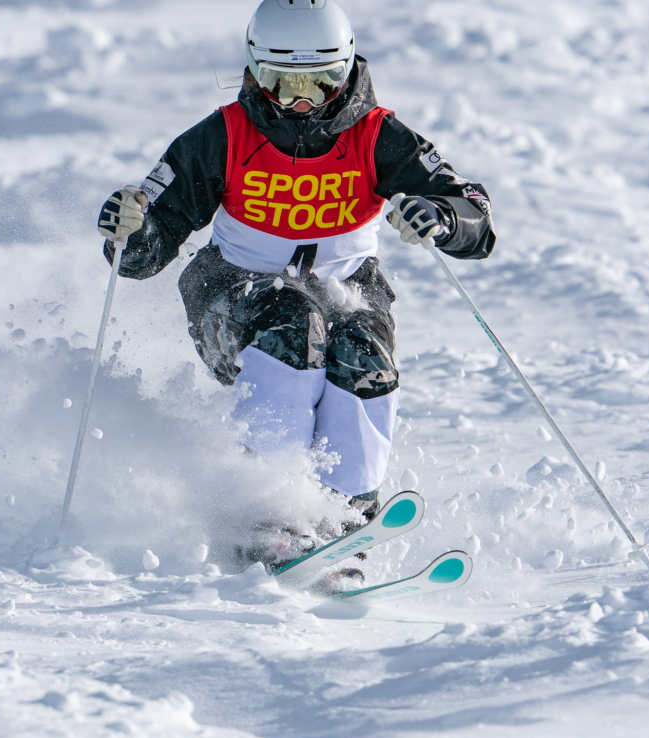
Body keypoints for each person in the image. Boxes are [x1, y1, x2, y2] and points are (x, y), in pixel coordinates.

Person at [97, 0, 495, 572]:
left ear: (348, 69)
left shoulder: (378, 136)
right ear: (257, 72)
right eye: (283, 84)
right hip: (232, 292)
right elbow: (147, 241)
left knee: (362, 350)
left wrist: (444, 217)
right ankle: (268, 510)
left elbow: (471, 208)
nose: (302, 101)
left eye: (322, 82)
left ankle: (343, 515)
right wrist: (130, 231)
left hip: (347, 287)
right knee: (292, 320)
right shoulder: (224, 136)